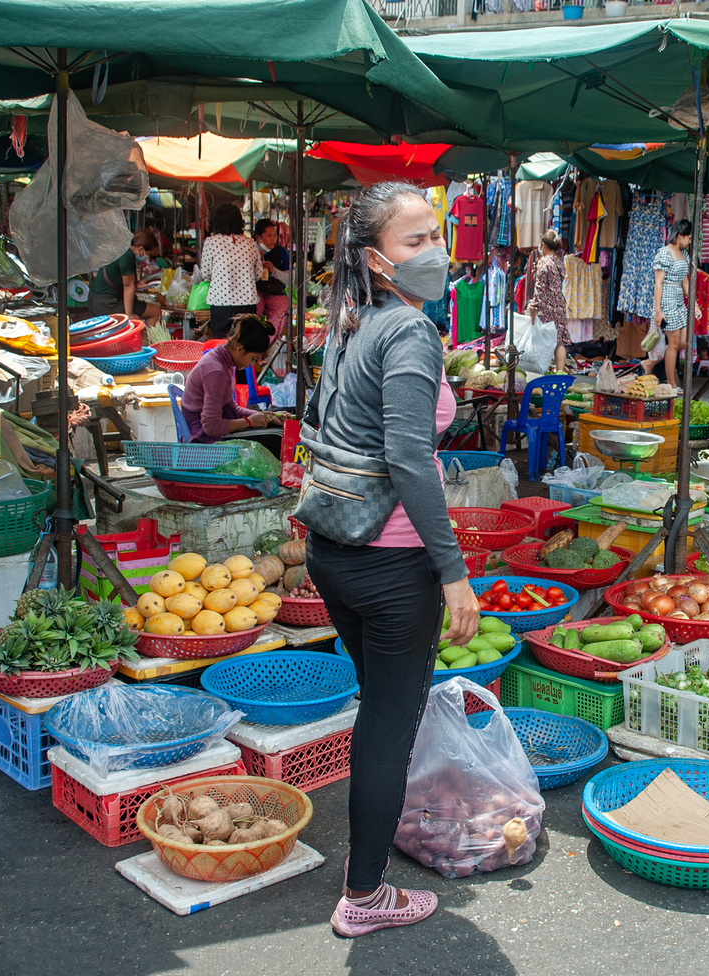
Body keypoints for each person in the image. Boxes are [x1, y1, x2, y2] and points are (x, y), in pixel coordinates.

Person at [304, 181, 479, 937]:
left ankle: (378, 841)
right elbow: (409, 459)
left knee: (380, 707)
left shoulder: (350, 319)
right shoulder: (408, 332)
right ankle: (366, 895)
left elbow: (325, 424)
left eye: (435, 234)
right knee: (386, 723)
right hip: (392, 564)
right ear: (376, 259)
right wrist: (452, 571)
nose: (434, 251)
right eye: (415, 241)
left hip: (332, 553)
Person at [180, 313, 283, 453]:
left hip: (214, 427)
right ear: (240, 349)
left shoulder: (222, 362)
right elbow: (211, 426)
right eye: (253, 358)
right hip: (205, 438)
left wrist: (264, 416)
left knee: (276, 421)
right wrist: (250, 422)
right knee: (278, 438)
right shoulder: (216, 371)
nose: (252, 364)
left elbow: (230, 407)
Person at [199, 203, 263, 338]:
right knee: (245, 342)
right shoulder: (250, 243)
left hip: (221, 303)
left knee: (223, 342)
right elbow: (258, 274)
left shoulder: (211, 242)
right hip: (247, 303)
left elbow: (205, 274)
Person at [650, 219, 693, 388]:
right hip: (666, 299)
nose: (689, 241)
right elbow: (658, 283)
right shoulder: (664, 253)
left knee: (683, 342)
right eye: (688, 238)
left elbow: (685, 282)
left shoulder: (685, 255)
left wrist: (693, 303)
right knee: (674, 344)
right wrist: (658, 310)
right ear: (680, 236)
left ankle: (649, 364)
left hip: (678, 300)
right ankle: (672, 383)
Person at [88, 227, 162, 324]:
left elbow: (120, 278)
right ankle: (147, 339)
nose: (146, 257)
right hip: (108, 303)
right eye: (148, 254)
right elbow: (128, 286)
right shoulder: (128, 255)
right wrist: (129, 314)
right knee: (155, 312)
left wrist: (136, 283)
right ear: (140, 249)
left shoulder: (120, 249)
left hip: (94, 300)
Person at [527, 228, 570, 373]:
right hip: (559, 305)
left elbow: (539, 290)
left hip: (546, 308)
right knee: (559, 342)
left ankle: (540, 371)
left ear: (543, 245)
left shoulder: (543, 263)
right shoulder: (559, 262)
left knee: (541, 341)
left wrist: (533, 308)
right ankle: (560, 372)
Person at [253, 217, 292, 332]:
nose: (273, 239)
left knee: (281, 312)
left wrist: (274, 271)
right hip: (256, 293)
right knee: (254, 314)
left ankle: (268, 343)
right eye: (269, 236)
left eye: (275, 235)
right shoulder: (251, 250)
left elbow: (291, 279)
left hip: (276, 293)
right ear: (258, 237)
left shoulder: (282, 252)